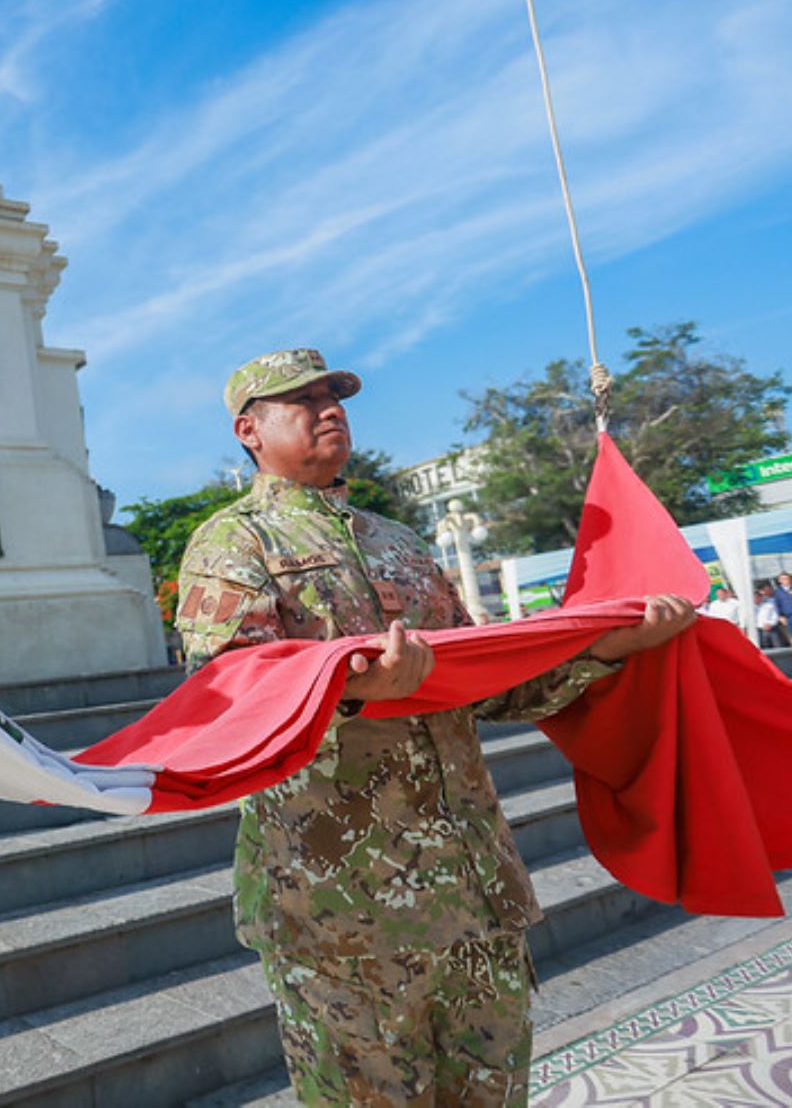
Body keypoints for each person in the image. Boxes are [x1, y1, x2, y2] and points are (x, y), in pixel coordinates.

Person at [175, 348, 694, 1107]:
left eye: (335, 396)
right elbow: (225, 701)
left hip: (474, 893)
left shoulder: (402, 544)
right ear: (248, 429)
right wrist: (353, 693)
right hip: (345, 914)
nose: (330, 409)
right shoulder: (235, 544)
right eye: (303, 400)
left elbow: (485, 683)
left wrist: (606, 645)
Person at [755, 584, 789, 649]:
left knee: (778, 646)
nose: (756, 599)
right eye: (754, 597)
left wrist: (771, 624)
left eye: (758, 597)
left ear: (761, 597)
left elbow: (775, 616)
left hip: (772, 628)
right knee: (765, 648)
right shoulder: (751, 608)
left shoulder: (769, 605)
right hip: (760, 630)